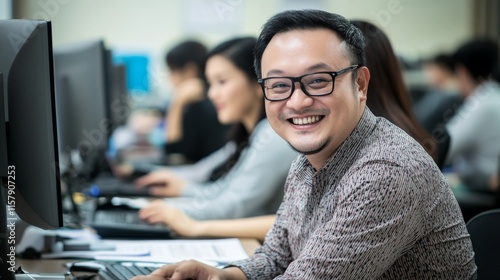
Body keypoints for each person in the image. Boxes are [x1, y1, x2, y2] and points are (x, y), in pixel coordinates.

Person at [132, 10, 476, 279]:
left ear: (360, 83)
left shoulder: (386, 173)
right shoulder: (310, 158)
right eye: (279, 85)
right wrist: (223, 275)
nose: (297, 102)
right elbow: (277, 256)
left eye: (317, 81)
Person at [136, 37, 297, 222]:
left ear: (259, 83)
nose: (212, 94)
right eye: (210, 84)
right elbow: (221, 188)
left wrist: (167, 211)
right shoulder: (247, 134)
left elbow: (232, 206)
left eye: (222, 82)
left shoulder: (273, 135)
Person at [162, 40, 230, 165]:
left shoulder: (199, 105)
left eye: (172, 72)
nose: (170, 79)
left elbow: (175, 154)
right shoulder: (205, 99)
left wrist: (176, 103)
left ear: (189, 70)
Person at [445, 38, 500, 191]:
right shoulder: (493, 94)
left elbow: (446, 148)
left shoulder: (481, 103)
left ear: (462, 72)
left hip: (483, 190)